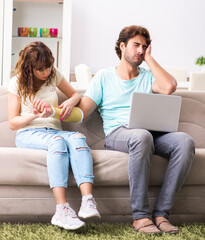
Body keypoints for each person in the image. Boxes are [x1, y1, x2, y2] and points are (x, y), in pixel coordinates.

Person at [77, 25, 195, 234]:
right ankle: (140, 217)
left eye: (145, 46)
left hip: (150, 133)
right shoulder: (104, 76)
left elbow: (169, 87)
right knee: (141, 136)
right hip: (119, 133)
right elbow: (83, 112)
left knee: (185, 142)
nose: (141, 50)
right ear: (122, 46)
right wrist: (65, 105)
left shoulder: (149, 77)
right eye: (136, 45)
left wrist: (149, 58)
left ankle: (161, 215)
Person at [7, 41, 100, 231]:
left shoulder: (53, 74)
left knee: (77, 138)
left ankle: (87, 201)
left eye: (49, 66)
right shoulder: (16, 82)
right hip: (28, 132)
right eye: (41, 69)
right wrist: (34, 114)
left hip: (54, 129)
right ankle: (61, 210)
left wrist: (68, 104)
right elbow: (12, 123)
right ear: (29, 68)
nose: (46, 72)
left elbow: (75, 95)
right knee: (58, 142)